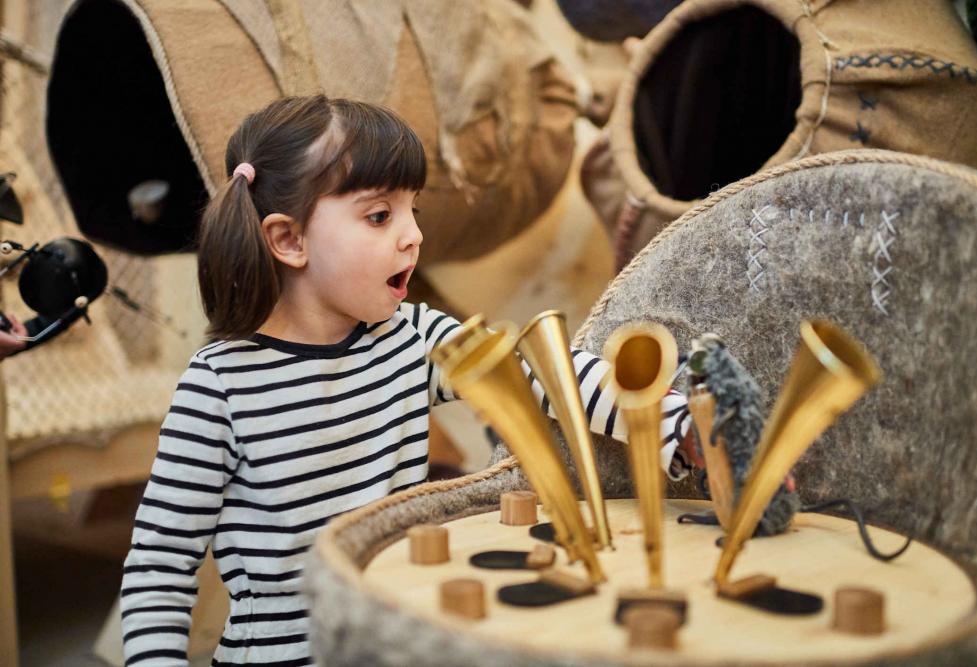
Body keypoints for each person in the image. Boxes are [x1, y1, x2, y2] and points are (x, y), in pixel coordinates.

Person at [120, 95, 692, 666]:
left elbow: (540, 372)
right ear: (290, 240)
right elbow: (159, 570)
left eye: (412, 209)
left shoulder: (411, 337)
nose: (413, 234)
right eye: (379, 215)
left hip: (391, 646)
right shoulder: (217, 385)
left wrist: (674, 422)